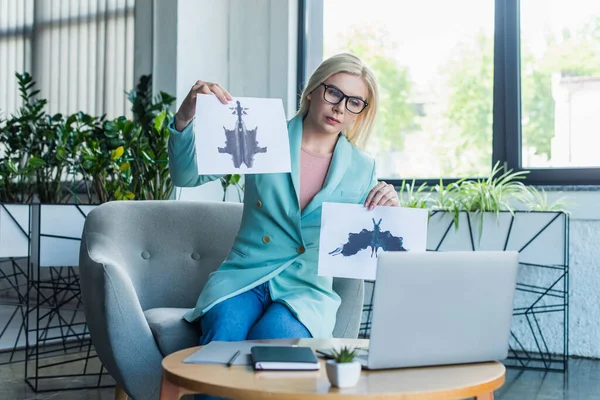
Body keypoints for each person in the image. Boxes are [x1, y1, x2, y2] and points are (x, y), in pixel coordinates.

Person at [167, 53, 400, 348]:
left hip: (306, 289)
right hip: (245, 275)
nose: (340, 108)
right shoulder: (264, 134)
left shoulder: (362, 168)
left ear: (360, 112)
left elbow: (371, 243)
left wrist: (391, 206)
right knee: (224, 332)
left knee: (272, 341)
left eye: (353, 102)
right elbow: (186, 177)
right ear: (314, 91)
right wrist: (185, 118)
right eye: (334, 93)